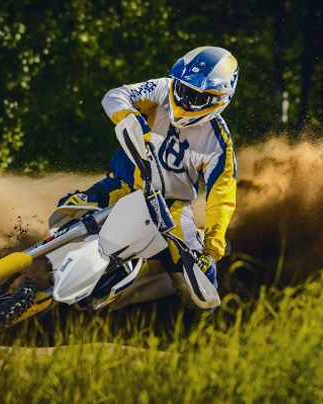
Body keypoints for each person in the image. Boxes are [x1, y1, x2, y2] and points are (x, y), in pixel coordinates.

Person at [58, 46, 238, 308]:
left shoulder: (219, 143)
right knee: (72, 208)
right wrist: (132, 121)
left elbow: (221, 198)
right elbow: (115, 96)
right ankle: (46, 260)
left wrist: (212, 248)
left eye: (196, 97)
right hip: (124, 185)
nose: (184, 100)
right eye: (183, 89)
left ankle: (202, 327)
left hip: (172, 207)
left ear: (219, 99)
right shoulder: (163, 88)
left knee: (199, 275)